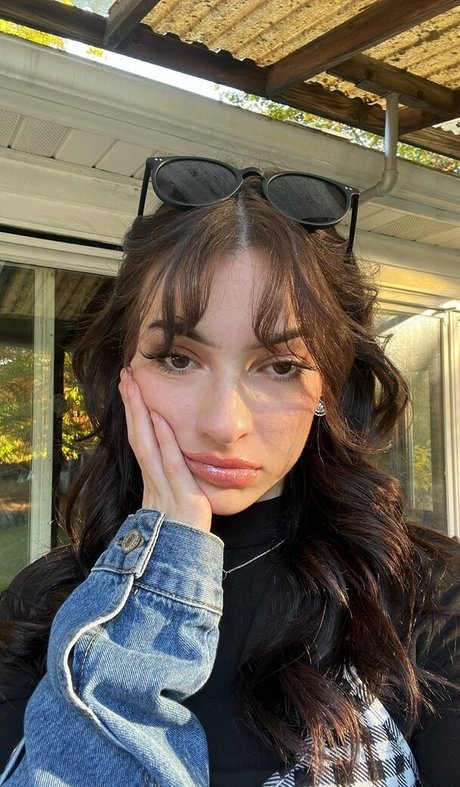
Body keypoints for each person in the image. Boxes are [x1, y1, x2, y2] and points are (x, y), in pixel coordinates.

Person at [0, 157, 458, 787]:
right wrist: (163, 569)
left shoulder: (427, 599)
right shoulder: (46, 603)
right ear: (122, 371)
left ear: (329, 386)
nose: (224, 423)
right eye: (177, 358)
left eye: (280, 367)